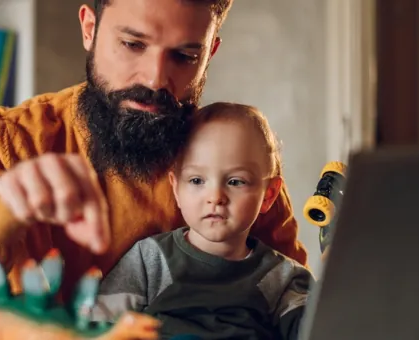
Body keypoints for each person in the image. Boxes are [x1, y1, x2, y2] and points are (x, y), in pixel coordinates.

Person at [0, 0, 309, 333]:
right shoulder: (10, 140)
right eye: (132, 44)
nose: (155, 78)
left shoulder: (232, 150)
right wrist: (4, 204)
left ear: (210, 50)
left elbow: (294, 302)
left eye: (184, 55)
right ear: (89, 27)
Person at [88, 103, 314, 340]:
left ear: (268, 195)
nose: (215, 197)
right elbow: (100, 327)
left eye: (236, 182)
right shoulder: (151, 259)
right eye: (197, 180)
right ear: (176, 189)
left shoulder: (282, 276)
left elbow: (320, 330)